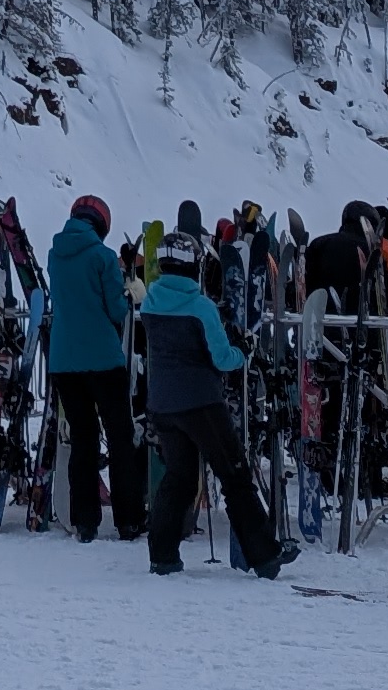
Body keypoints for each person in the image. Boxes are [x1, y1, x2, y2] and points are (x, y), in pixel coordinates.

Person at [141, 222, 294, 576]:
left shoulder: (151, 302)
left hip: (163, 404)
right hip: (201, 404)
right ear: (193, 265)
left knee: (178, 477)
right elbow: (222, 359)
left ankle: (162, 554)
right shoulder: (201, 308)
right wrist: (243, 349)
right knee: (234, 474)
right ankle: (264, 555)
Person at [44, 194, 140, 543]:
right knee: (119, 438)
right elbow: (116, 310)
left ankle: (85, 521)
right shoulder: (102, 257)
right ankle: (128, 519)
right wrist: (127, 295)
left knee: (83, 439)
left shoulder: (55, 255)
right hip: (103, 358)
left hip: (64, 361)